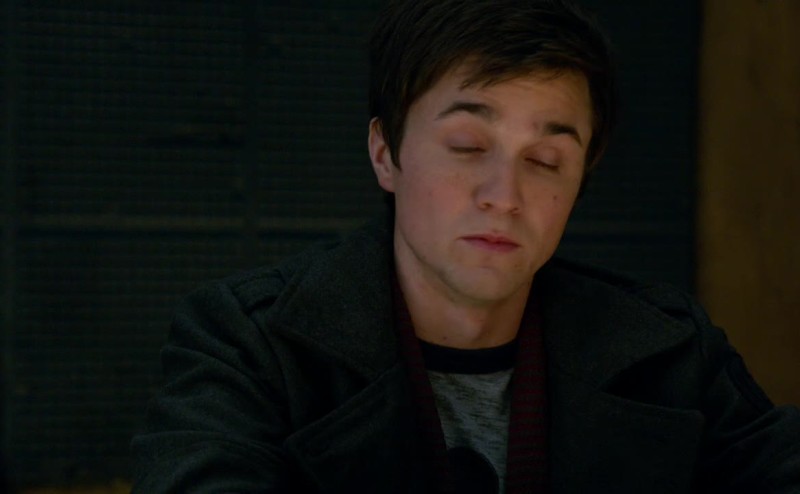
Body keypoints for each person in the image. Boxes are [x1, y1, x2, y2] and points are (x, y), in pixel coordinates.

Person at [130, 0, 800, 492]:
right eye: (467, 146)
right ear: (385, 153)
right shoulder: (247, 344)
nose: (504, 195)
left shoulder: (670, 351)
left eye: (546, 160)